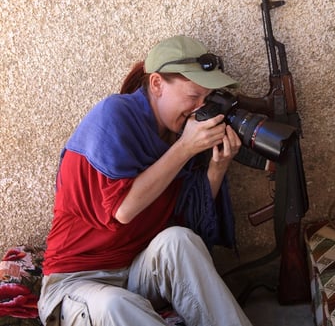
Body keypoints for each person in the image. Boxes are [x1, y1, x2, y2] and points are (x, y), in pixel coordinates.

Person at [38, 35, 253, 326]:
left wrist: (218, 166)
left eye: (207, 98)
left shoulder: (177, 133)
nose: (199, 108)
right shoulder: (114, 115)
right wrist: (185, 148)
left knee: (180, 240)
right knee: (115, 303)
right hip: (76, 282)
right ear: (156, 84)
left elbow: (193, 222)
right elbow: (123, 210)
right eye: (193, 96)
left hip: (135, 272)